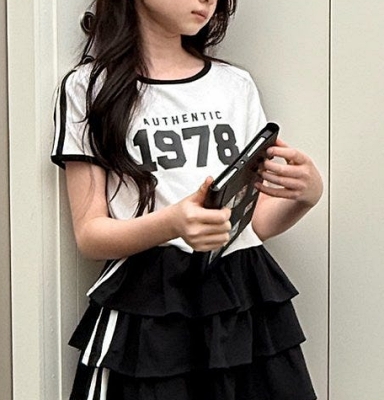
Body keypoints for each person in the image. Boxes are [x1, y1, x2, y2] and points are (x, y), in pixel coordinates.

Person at [51, 0, 323, 399]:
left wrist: (306, 196)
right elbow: (90, 235)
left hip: (243, 294)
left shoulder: (235, 85)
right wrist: (173, 223)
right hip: (150, 302)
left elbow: (251, 225)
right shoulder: (89, 87)